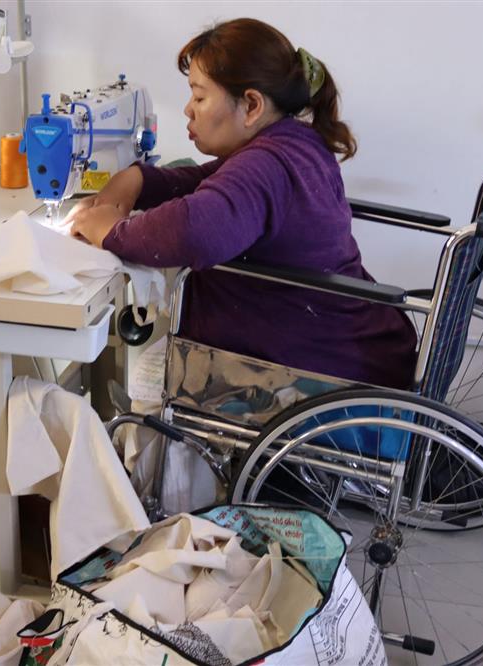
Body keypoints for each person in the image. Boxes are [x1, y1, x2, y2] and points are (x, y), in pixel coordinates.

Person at [69, 18, 417, 389]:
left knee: (145, 382)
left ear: (251, 105)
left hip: (309, 367)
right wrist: (137, 178)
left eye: (200, 97)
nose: (188, 109)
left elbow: (193, 231)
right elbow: (204, 183)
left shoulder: (264, 166)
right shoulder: (295, 143)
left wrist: (108, 230)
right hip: (352, 345)